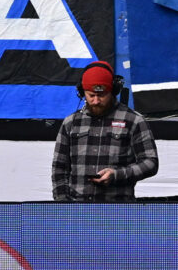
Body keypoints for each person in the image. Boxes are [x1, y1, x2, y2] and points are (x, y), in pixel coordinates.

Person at [51, 63, 158, 202]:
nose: (96, 101)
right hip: (77, 210)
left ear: (113, 91)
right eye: (91, 95)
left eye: (101, 95)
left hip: (118, 209)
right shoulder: (71, 123)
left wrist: (117, 175)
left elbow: (150, 163)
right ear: (82, 92)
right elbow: (59, 168)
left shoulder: (134, 121)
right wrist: (62, 205)